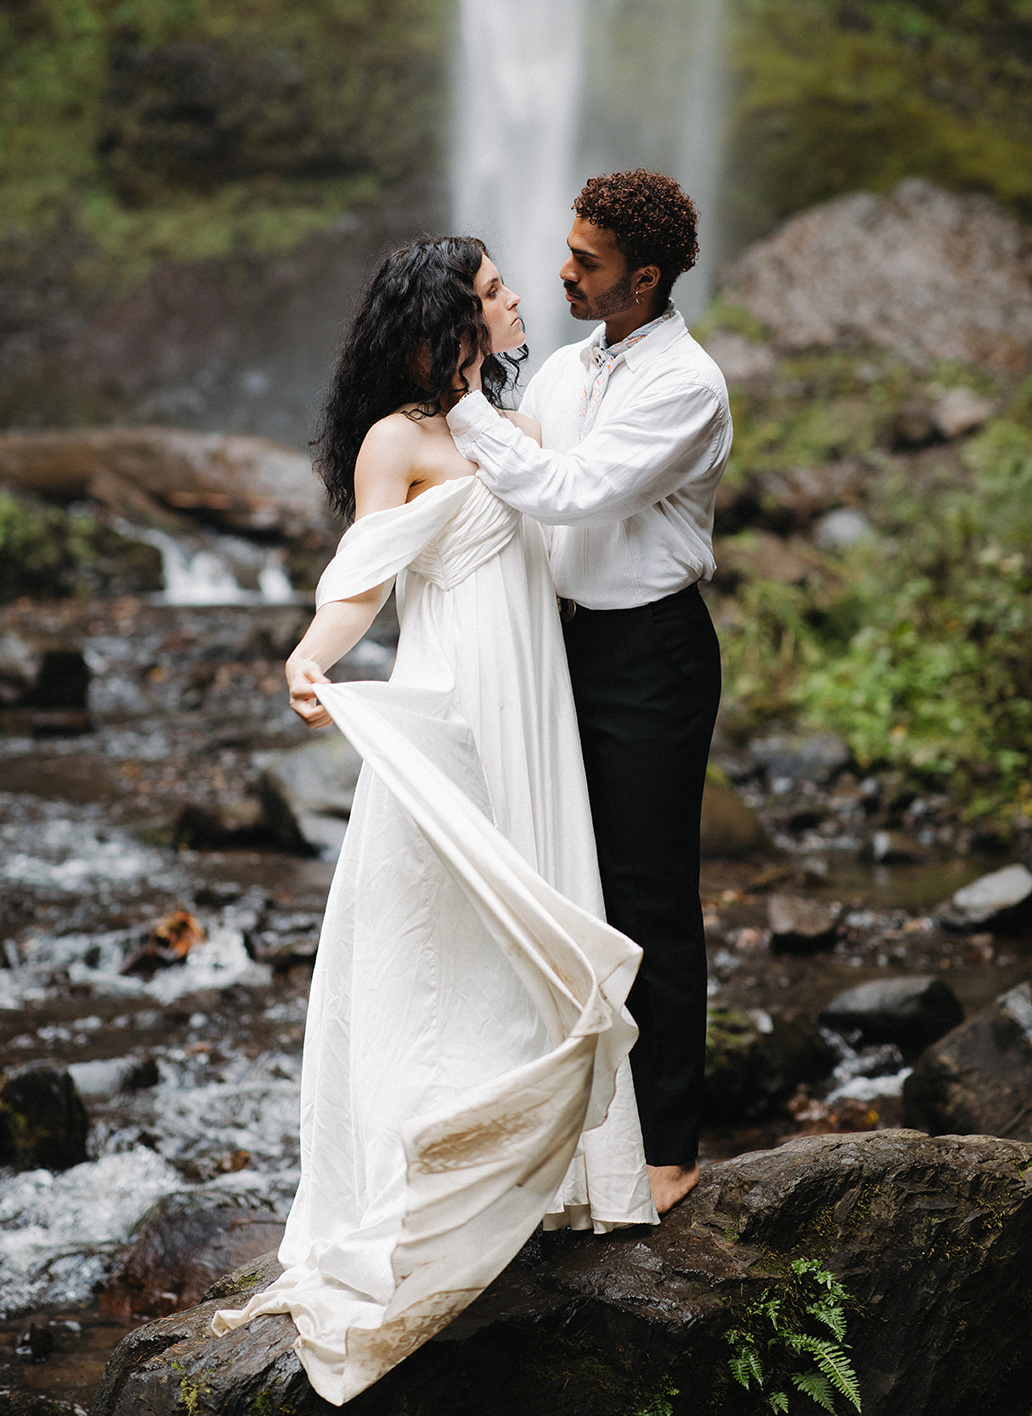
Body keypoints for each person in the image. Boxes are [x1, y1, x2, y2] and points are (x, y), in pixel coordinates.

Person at [210, 236, 655, 1406]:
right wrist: (310, 655)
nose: (517, 302)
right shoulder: (395, 440)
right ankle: (420, 1182)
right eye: (498, 291)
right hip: (455, 705)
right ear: (440, 320)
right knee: (432, 940)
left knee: (534, 912)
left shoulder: (510, 423)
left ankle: (554, 1176)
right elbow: (366, 569)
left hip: (534, 704)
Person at [447, 170, 732, 1216]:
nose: (560, 271)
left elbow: (569, 491)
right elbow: (520, 461)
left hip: (650, 655)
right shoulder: (570, 368)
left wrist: (461, 410)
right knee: (565, 876)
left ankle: (669, 1146)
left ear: (644, 277)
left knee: (649, 893)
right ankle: (577, 1127)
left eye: (586, 262)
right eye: (566, 252)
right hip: (560, 642)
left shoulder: (686, 385)